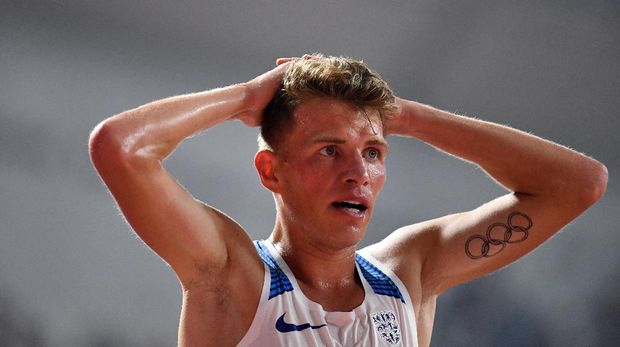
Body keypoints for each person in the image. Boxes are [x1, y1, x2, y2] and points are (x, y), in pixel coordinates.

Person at [89, 54, 607, 346]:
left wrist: (409, 118)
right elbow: (120, 148)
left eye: (374, 152)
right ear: (272, 171)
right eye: (330, 150)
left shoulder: (410, 273)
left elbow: (580, 183)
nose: (358, 172)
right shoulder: (231, 274)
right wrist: (249, 98)